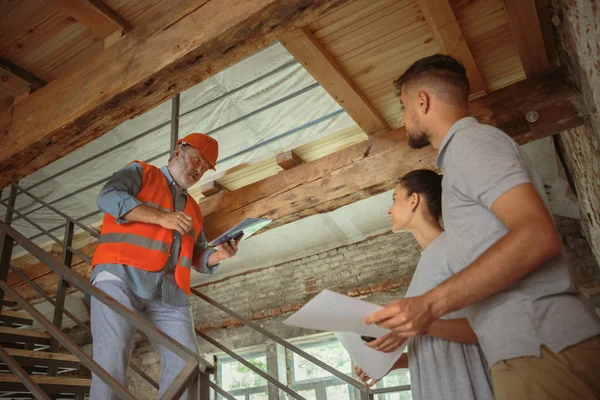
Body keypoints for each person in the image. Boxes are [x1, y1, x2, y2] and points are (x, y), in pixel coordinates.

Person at [365, 54, 600, 399]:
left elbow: (537, 236)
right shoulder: (461, 159)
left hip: (541, 347)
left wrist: (427, 307)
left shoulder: (470, 144)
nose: (404, 119)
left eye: (403, 107)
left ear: (422, 101)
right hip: (528, 350)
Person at [89, 133, 241, 399]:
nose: (198, 170)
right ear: (178, 151)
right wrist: (162, 217)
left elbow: (196, 255)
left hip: (168, 292)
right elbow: (108, 197)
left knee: (188, 365)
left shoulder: (193, 209)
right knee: (111, 357)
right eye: (197, 160)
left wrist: (218, 256)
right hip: (119, 277)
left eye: (204, 168)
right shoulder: (140, 173)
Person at [354, 169, 493, 400]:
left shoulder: (455, 248)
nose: (389, 209)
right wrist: (398, 362)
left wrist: (420, 324)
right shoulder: (425, 264)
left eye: (394, 198)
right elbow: (442, 346)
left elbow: (488, 329)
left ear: (414, 200)